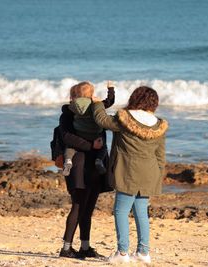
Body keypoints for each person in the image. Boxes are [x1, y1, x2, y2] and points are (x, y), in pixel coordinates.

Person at [92, 86, 168, 264]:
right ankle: (143, 252)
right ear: (154, 103)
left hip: (128, 171)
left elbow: (102, 120)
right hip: (150, 172)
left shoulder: (124, 119)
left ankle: (123, 253)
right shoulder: (158, 125)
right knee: (141, 212)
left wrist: (97, 104)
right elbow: (160, 156)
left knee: (121, 211)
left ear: (135, 98)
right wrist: (158, 175)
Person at [58, 83, 113, 259]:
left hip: (95, 164)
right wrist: (90, 145)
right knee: (78, 206)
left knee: (88, 208)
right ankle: (66, 248)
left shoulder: (95, 109)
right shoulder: (68, 112)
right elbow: (66, 137)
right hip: (78, 164)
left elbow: (105, 120)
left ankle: (85, 247)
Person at [62, 81, 115, 176]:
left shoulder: (72, 106)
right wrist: (110, 89)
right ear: (92, 94)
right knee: (103, 147)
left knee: (70, 148)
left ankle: (68, 161)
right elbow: (110, 101)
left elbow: (65, 108)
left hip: (80, 134)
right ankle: (99, 160)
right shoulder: (94, 104)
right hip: (95, 135)